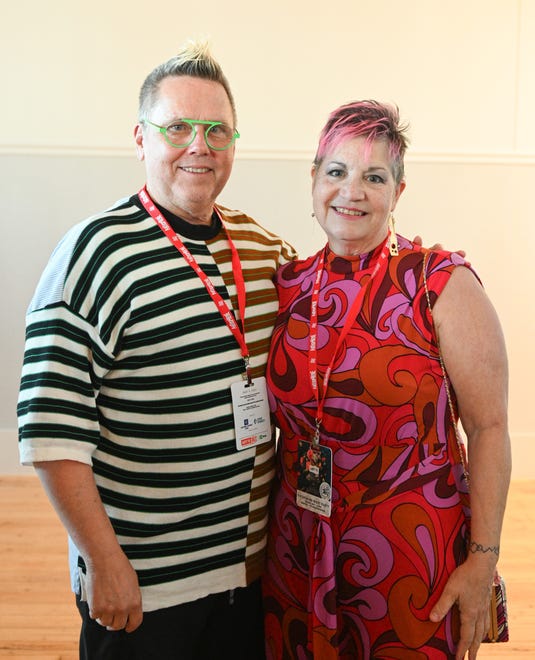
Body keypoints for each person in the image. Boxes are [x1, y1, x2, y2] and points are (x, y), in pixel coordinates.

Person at [17, 41, 297, 659]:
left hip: (249, 580)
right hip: (144, 588)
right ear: (141, 139)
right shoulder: (94, 254)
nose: (199, 145)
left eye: (217, 130)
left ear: (234, 142)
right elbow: (50, 432)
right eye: (178, 127)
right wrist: (103, 559)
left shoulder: (266, 250)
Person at [263, 100, 511, 659]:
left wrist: (483, 561)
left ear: (397, 193)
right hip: (298, 553)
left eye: (373, 176)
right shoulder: (288, 286)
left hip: (411, 563)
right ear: (313, 180)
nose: (351, 191)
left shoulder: (439, 283)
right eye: (336, 172)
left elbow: (490, 427)